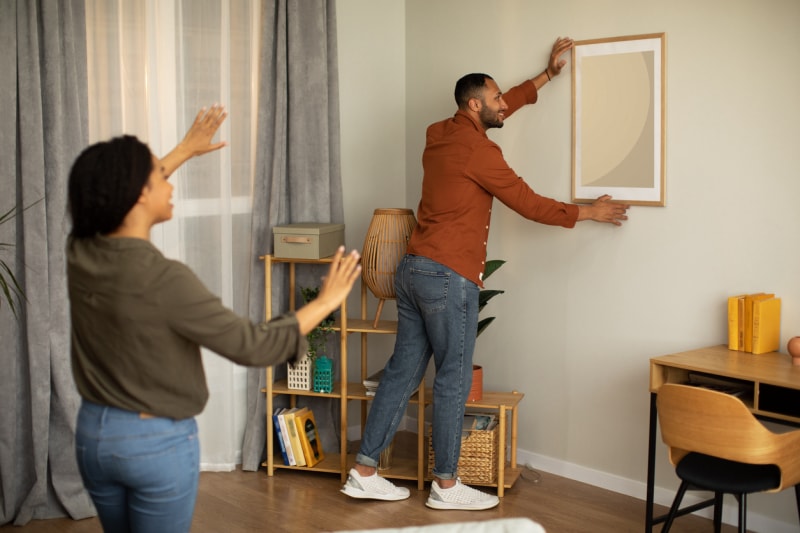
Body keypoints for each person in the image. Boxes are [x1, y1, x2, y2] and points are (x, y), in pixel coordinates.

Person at [341, 37, 629, 510]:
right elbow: (529, 203)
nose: (502, 105)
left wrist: (545, 78)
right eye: (494, 99)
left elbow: (501, 107)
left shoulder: (439, 133)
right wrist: (588, 213)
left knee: (402, 372)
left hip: (412, 270)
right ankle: (447, 486)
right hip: (447, 276)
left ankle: (364, 470)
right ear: (475, 105)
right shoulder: (481, 154)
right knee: (452, 378)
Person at [67, 105, 362, 533]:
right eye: (159, 176)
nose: (169, 183)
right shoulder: (165, 279)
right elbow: (252, 345)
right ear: (137, 194)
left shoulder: (82, 253)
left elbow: (111, 195)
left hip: (94, 435)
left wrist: (184, 150)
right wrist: (325, 301)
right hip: (154, 445)